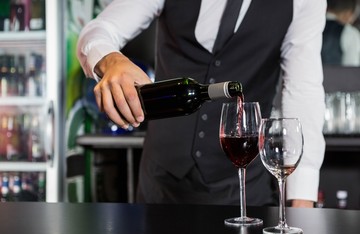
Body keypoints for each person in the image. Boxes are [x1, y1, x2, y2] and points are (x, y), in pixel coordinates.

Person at [77, 0, 326, 208]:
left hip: (244, 188)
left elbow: (303, 90)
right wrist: (111, 61)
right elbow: (99, 30)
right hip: (161, 184)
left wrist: (301, 201)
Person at [321, 0, 360, 66]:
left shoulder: (310, 28)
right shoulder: (350, 33)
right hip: (336, 76)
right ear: (348, 13)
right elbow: (352, 69)